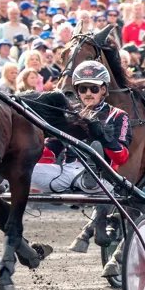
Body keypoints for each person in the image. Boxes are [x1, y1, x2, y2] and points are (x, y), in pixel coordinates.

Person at [30, 60, 131, 195]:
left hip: (104, 177)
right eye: (83, 89)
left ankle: (92, 169)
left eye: (93, 88)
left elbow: (121, 158)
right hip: (66, 174)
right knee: (19, 169)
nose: (88, 93)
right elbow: (51, 150)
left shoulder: (119, 115)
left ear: (103, 90)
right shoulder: (69, 113)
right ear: (77, 91)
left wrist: (102, 137)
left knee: (89, 172)